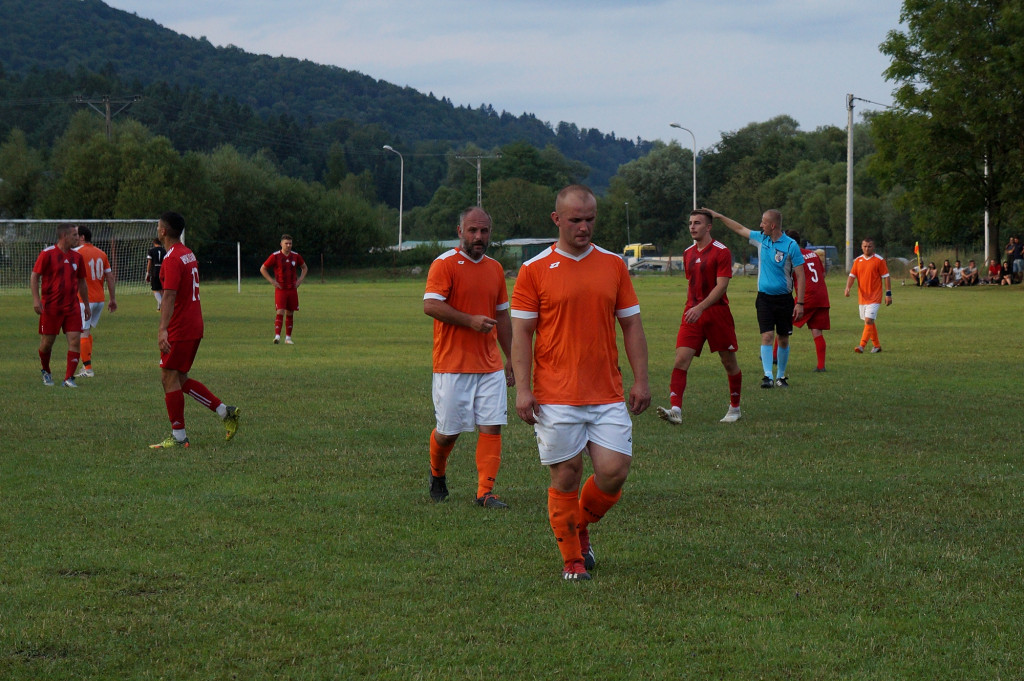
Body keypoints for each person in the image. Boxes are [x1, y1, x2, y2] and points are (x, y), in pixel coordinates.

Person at [511, 184, 650, 581]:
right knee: (566, 473)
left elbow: (632, 325)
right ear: (557, 220)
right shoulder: (534, 269)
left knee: (614, 472)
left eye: (590, 219)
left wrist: (641, 379)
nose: (584, 227)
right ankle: (573, 559)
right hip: (555, 393)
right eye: (575, 220)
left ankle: (580, 524)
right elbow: (521, 335)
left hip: (606, 390)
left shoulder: (613, 265)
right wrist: (523, 389)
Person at [423, 207, 514, 508]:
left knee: (492, 425)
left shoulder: (495, 269)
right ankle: (438, 473)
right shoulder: (444, 264)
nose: (479, 236)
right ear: (460, 230)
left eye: (484, 231)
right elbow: (431, 305)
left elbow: (502, 316)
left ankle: (484, 493)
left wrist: (511, 357)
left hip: (489, 365)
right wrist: (470, 320)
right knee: (449, 433)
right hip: (452, 365)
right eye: (472, 230)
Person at [150, 211, 240, 449]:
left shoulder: (171, 258)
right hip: (193, 324)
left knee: (168, 377)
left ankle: (179, 437)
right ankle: (225, 412)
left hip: (180, 327)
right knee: (179, 378)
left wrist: (162, 330)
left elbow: (168, 296)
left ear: (163, 231)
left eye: (158, 226)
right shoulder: (187, 253)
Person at [655, 209, 742, 425]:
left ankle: (735, 407)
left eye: (697, 223)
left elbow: (721, 286)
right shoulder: (688, 253)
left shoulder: (721, 251)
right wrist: (694, 309)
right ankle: (676, 410)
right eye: (690, 223)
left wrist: (701, 307)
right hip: (692, 313)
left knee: (729, 362)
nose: (692, 227)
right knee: (681, 359)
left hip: (717, 314)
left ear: (708, 227)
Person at [707, 208, 805, 388]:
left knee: (783, 338)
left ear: (772, 225)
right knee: (767, 336)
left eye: (763, 222)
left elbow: (801, 274)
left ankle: (781, 377)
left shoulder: (791, 245)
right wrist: (720, 216)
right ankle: (767, 376)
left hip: (785, 300)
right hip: (764, 299)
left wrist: (799, 302)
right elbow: (739, 229)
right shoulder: (761, 239)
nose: (760, 225)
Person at [30, 223, 90, 388]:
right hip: (51, 307)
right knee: (47, 343)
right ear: (65, 236)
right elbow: (34, 277)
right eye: (74, 235)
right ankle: (46, 370)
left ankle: (68, 378)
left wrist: (86, 304)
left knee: (75, 340)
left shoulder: (77, 257)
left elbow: (82, 282)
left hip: (72, 307)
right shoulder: (47, 254)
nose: (77, 238)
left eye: (77, 235)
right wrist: (36, 300)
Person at [73, 225, 117, 378]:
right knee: (86, 331)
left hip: (84, 300)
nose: (73, 237)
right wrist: (112, 298)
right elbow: (110, 277)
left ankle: (88, 369)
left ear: (82, 237)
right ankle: (86, 365)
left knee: (82, 332)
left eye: (75, 235)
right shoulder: (101, 253)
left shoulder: (76, 253)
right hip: (99, 300)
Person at [786, 230, 831, 372]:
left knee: (785, 322)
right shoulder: (813, 254)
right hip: (822, 295)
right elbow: (822, 274)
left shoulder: (792, 256)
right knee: (817, 331)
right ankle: (821, 366)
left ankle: (774, 356)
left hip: (807, 296)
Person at [844, 238, 892, 353]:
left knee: (869, 320)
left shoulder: (879, 260)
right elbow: (852, 275)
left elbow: (886, 277)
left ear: (873, 247)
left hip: (875, 297)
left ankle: (861, 346)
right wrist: (848, 288)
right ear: (861, 247)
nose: (867, 248)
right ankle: (877, 346)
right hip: (862, 297)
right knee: (869, 322)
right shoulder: (858, 260)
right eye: (865, 246)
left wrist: (888, 294)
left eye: (869, 246)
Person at [260, 234, 308, 344]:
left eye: (290, 243)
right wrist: (272, 281)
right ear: (281, 244)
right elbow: (263, 268)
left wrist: (300, 280)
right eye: (286, 243)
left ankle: (288, 338)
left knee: (290, 313)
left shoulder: (296, 256)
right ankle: (277, 336)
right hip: (281, 289)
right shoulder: (275, 256)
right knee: (280, 311)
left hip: (292, 289)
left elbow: (304, 267)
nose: (288, 245)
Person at [145, 237, 166, 310]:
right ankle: (159, 307)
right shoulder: (164, 251)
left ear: (154, 243)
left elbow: (149, 262)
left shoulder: (151, 250)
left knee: (155, 289)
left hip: (155, 270)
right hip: (163, 270)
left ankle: (163, 305)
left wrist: (147, 273)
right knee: (161, 289)